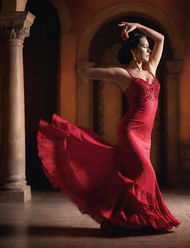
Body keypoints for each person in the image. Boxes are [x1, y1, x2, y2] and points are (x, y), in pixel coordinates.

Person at [37, 22, 181, 233]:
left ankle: (129, 218)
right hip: (130, 132)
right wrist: (82, 71)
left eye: (148, 47)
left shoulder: (151, 68)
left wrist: (138, 25)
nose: (149, 50)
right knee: (146, 171)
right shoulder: (123, 74)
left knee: (135, 176)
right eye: (144, 46)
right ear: (133, 50)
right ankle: (143, 217)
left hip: (146, 136)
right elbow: (88, 72)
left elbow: (161, 38)